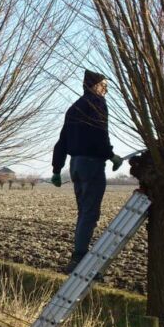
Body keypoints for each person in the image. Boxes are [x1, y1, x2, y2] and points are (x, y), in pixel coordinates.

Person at [52, 70, 123, 273]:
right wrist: (111, 155)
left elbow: (62, 141)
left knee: (84, 212)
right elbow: (100, 133)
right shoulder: (97, 103)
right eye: (104, 85)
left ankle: (79, 253)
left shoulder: (74, 108)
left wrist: (57, 169)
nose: (106, 90)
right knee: (90, 213)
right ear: (94, 86)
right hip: (92, 164)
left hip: (75, 165)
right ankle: (79, 258)